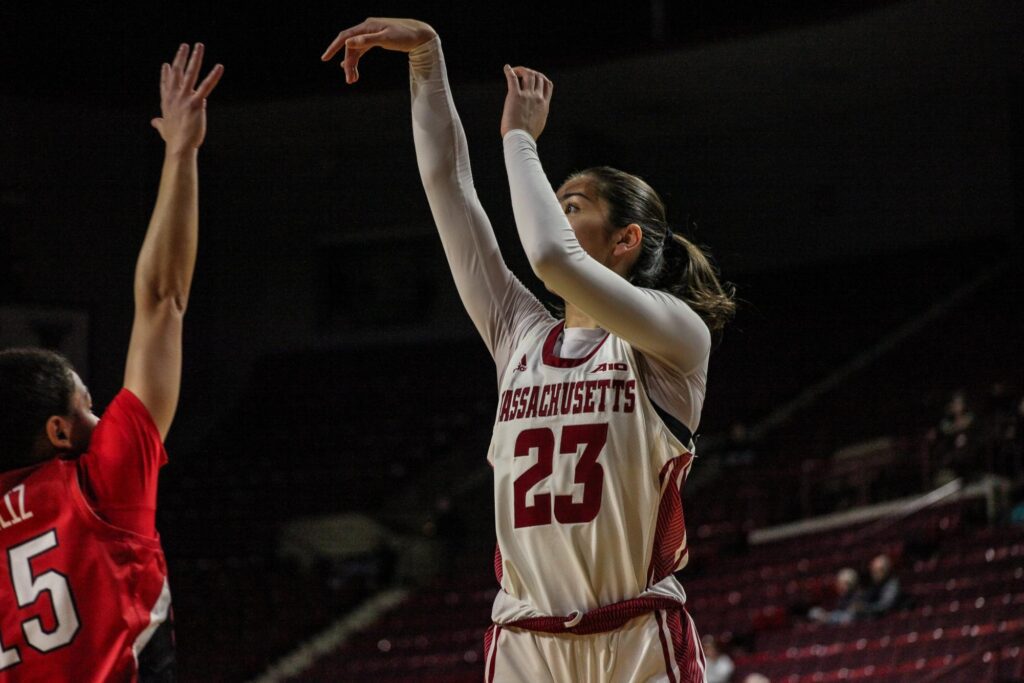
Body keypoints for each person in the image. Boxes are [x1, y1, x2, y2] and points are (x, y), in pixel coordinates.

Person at [323, 17, 735, 682]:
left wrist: (519, 139)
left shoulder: (673, 336)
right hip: (525, 641)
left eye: (570, 203)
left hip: (635, 640)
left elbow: (549, 257)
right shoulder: (519, 333)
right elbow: (449, 190)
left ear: (625, 239)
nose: (551, 213)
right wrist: (427, 61)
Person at [0, 44, 222, 681]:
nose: (102, 415)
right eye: (87, 405)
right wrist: (181, 152)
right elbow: (162, 301)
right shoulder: (101, 481)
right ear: (59, 431)